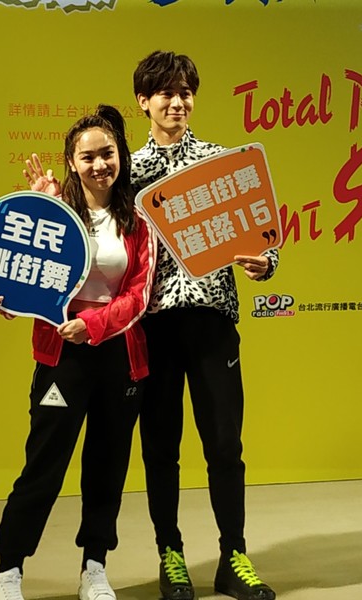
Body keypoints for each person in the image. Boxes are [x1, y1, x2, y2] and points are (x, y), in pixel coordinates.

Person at [0, 105, 156, 600]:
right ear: (72, 163)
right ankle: (8, 571)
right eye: (88, 157)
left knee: (106, 468)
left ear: (120, 156)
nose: (100, 165)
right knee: (43, 466)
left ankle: (95, 568)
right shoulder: (53, 214)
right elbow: (29, 279)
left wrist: (93, 325)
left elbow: (138, 295)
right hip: (62, 357)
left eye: (108, 154)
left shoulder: (139, 220)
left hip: (119, 357)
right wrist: (2, 302)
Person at [130, 50, 280, 600]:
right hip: (153, 327)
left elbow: (262, 236)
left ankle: (233, 556)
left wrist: (265, 264)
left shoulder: (221, 163)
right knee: (160, 448)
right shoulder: (129, 174)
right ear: (143, 102)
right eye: (165, 93)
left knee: (224, 444)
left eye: (185, 92)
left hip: (214, 323)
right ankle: (170, 555)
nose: (177, 102)